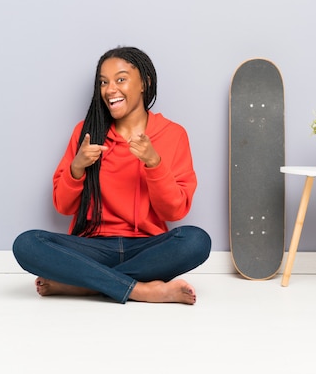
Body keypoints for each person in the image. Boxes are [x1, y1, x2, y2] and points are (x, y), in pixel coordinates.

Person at [13, 46, 211, 305]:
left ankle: (86, 286)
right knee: (27, 243)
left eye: (120, 79)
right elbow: (63, 206)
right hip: (92, 247)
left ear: (145, 83)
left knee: (197, 241)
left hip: (146, 249)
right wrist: (77, 168)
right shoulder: (86, 133)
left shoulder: (173, 134)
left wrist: (154, 163)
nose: (110, 90)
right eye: (103, 82)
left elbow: (174, 212)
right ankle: (141, 290)